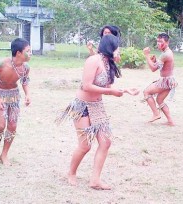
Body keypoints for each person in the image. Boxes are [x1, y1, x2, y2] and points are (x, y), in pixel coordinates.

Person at [55, 34, 138, 190]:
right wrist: (111, 93)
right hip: (82, 106)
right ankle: (71, 173)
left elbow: (105, 87)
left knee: (106, 142)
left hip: (97, 106)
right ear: (110, 47)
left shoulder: (108, 63)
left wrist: (124, 90)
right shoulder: (93, 60)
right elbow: (86, 86)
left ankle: (95, 180)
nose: (119, 51)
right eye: (117, 48)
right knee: (85, 145)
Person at [0, 38, 32, 166]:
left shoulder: (25, 67)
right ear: (18, 53)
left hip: (14, 97)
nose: (31, 53)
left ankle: (4, 154)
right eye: (28, 51)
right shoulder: (1, 64)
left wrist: (28, 94)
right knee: (0, 125)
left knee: (12, 126)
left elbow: (25, 81)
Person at [142, 33, 177, 126]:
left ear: (167, 42)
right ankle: (170, 121)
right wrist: (155, 60)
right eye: (157, 41)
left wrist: (146, 55)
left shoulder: (166, 54)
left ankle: (156, 114)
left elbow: (153, 68)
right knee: (160, 100)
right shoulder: (166, 52)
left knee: (146, 92)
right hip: (169, 80)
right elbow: (161, 65)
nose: (158, 44)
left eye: (161, 42)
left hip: (166, 81)